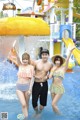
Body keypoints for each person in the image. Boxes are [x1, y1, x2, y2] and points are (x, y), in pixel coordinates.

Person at [49, 45, 75, 115]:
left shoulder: (64, 68)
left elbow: (67, 60)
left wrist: (70, 51)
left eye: (59, 60)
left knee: (53, 104)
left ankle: (61, 117)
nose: (57, 61)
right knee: (54, 106)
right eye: (56, 60)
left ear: (60, 61)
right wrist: (53, 70)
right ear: (55, 61)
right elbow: (50, 77)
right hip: (52, 88)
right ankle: (56, 117)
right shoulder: (53, 68)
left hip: (60, 88)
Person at [31, 48, 53, 116]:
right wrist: (36, 76)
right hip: (36, 83)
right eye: (43, 54)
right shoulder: (36, 62)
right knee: (34, 101)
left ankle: (39, 113)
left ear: (48, 55)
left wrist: (48, 77)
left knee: (43, 103)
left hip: (44, 84)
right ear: (41, 55)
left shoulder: (50, 64)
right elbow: (31, 72)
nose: (44, 56)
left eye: (46, 54)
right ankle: (36, 112)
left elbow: (51, 74)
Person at [16, 52, 34, 119]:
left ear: (28, 59)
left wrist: (30, 89)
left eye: (26, 59)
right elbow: (17, 57)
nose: (25, 60)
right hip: (19, 87)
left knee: (26, 104)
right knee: (23, 104)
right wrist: (14, 48)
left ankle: (25, 116)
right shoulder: (20, 66)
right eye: (23, 59)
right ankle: (26, 118)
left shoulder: (31, 67)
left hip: (27, 87)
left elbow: (32, 79)